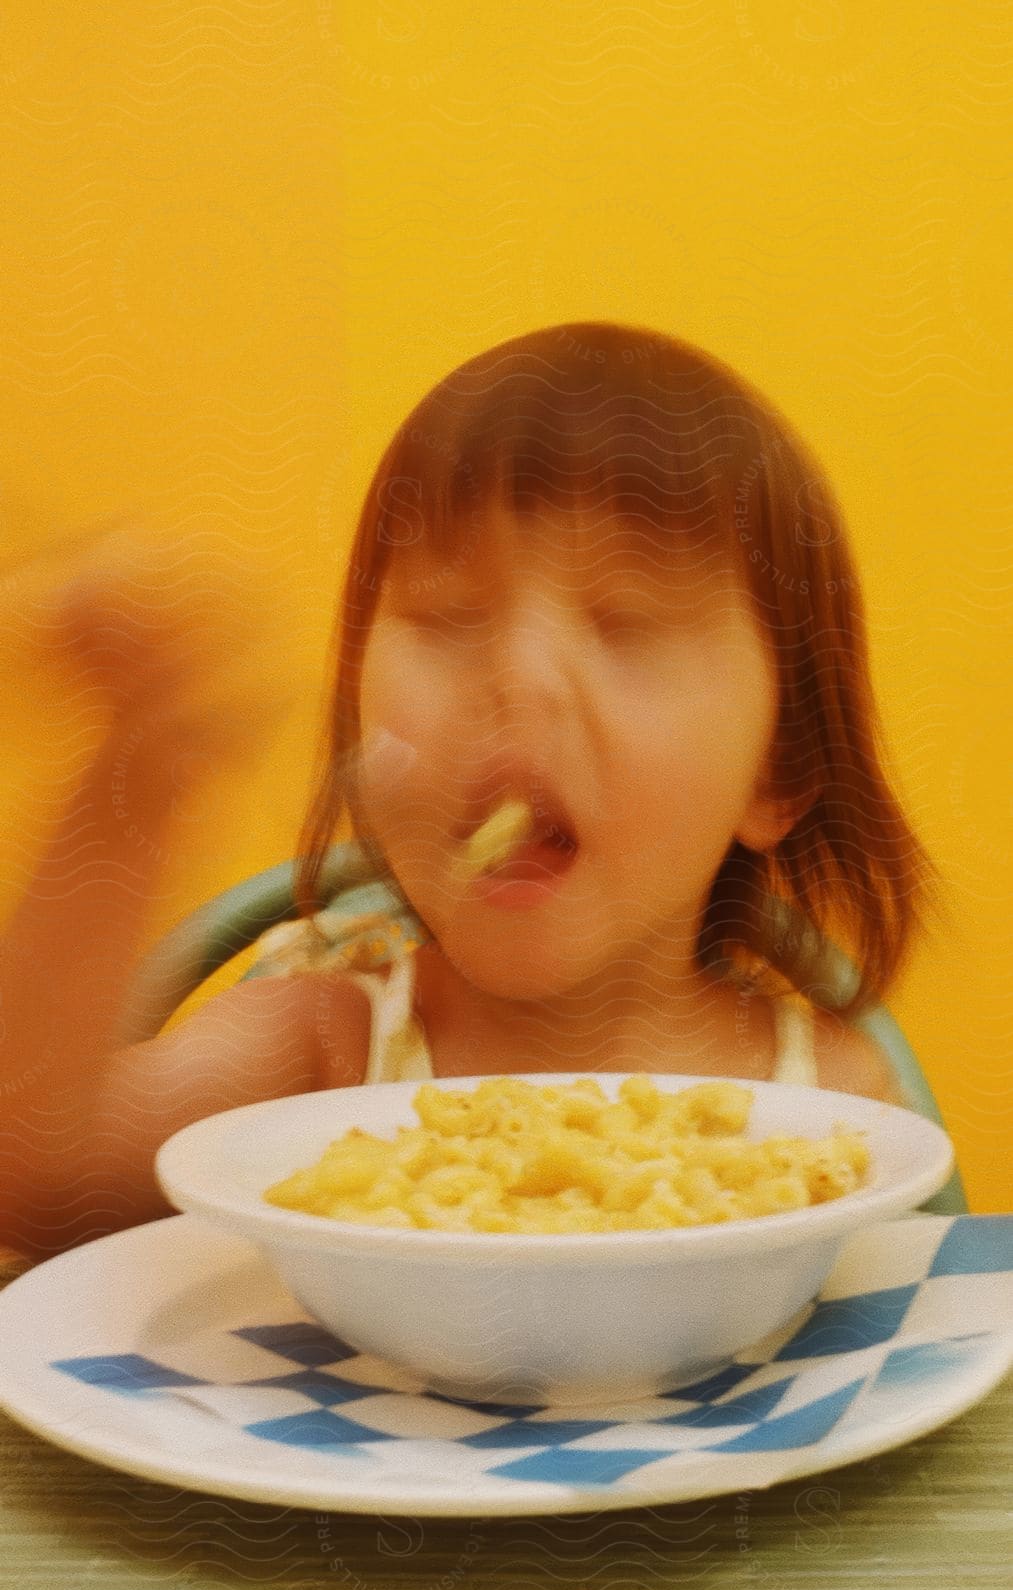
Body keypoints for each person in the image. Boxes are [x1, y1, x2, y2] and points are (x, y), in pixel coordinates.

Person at [0, 321, 946, 1263]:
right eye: (446, 612)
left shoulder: (826, 1107)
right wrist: (134, 784)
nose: (520, 675)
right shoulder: (312, 1052)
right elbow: (27, 1181)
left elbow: (890, 1350)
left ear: (775, 769)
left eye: (625, 624)